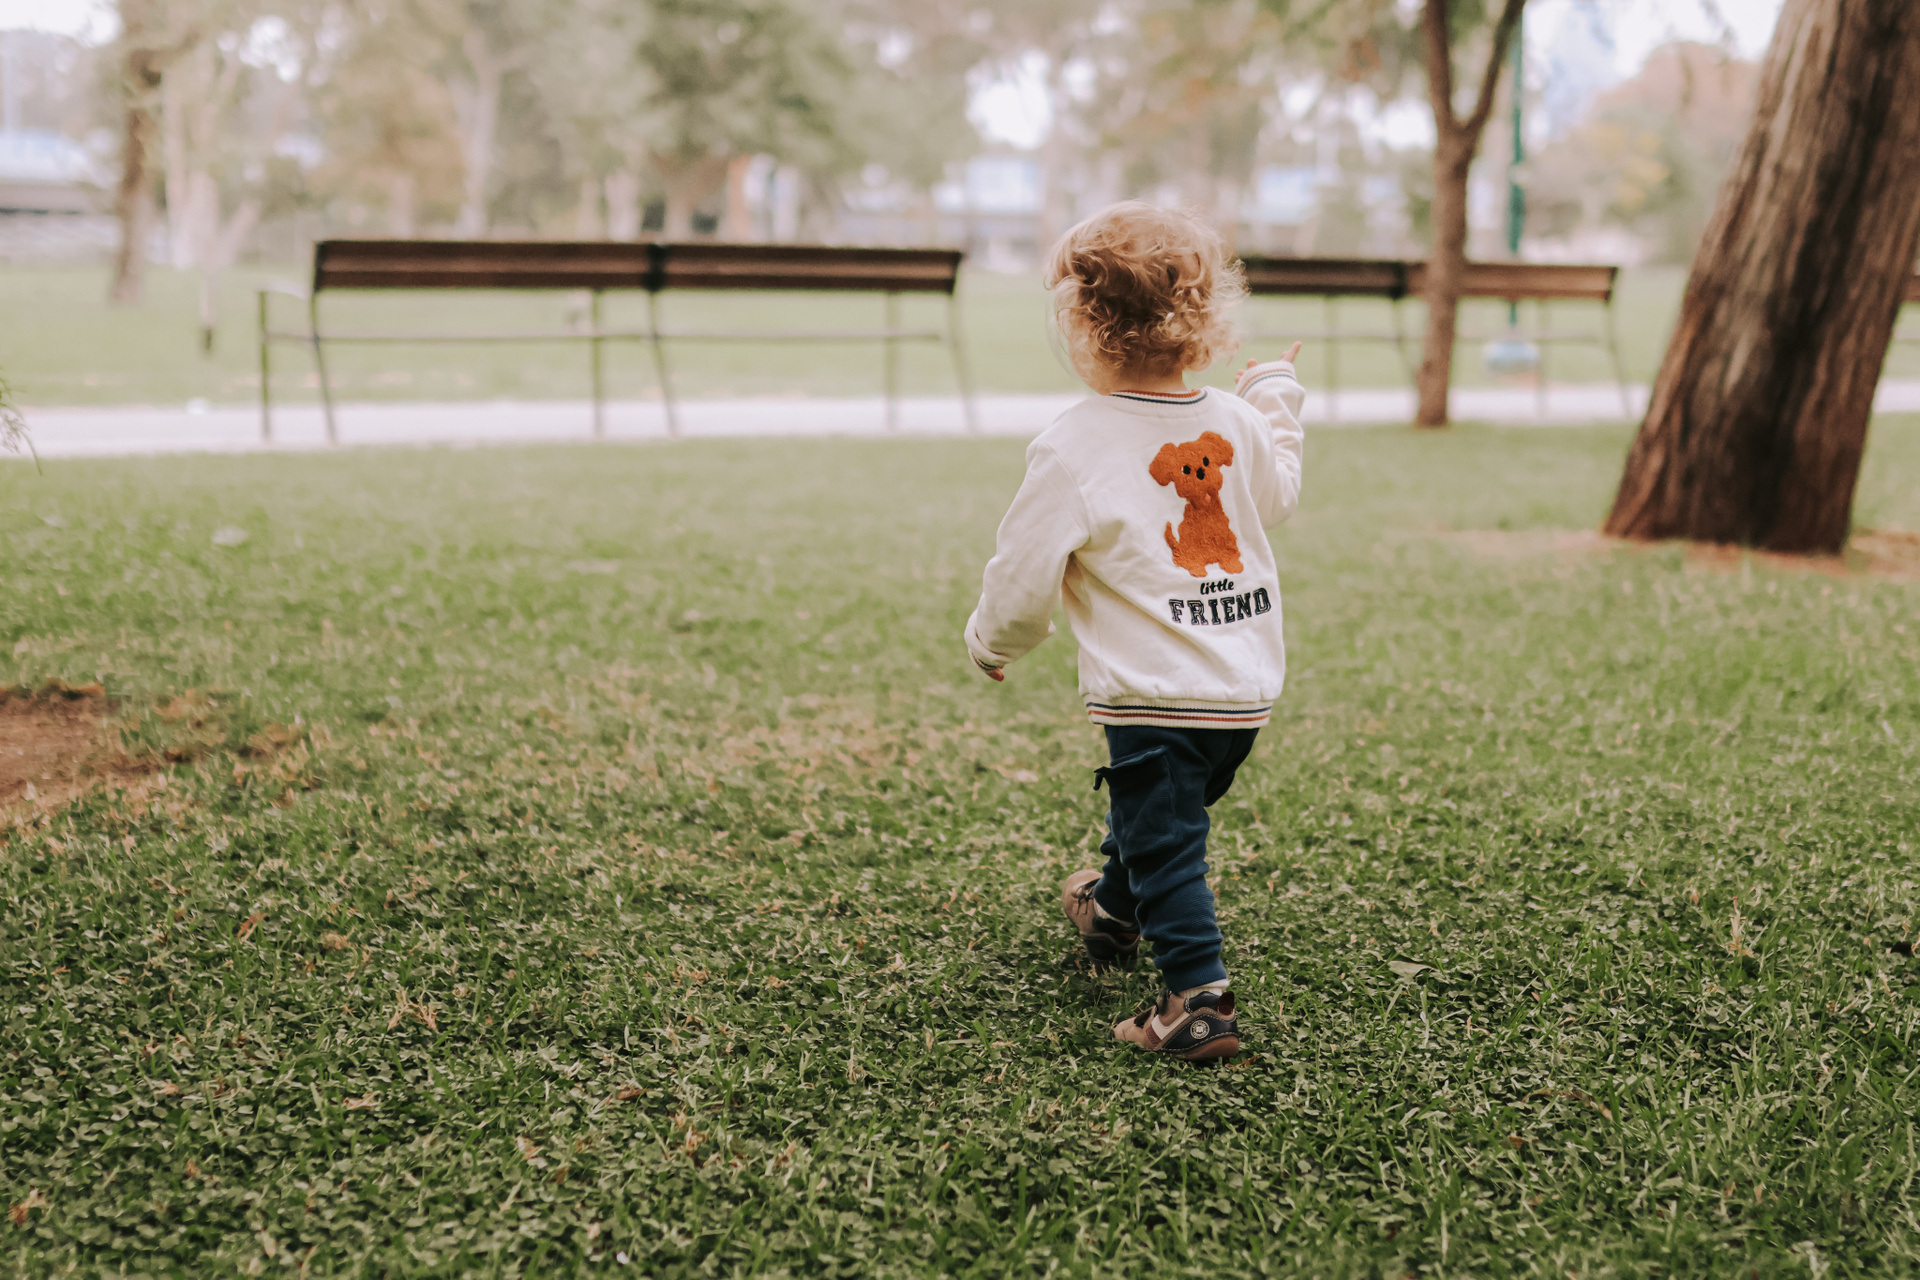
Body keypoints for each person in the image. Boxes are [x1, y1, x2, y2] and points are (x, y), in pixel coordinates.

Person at [963, 201, 1306, 1062]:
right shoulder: (1234, 421)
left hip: (1154, 696)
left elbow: (1023, 571)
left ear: (1082, 325)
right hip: (1243, 689)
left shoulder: (1072, 445)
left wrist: (995, 641)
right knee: (1159, 818)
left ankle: (1198, 1002)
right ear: (1207, 317)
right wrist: (1274, 398)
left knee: (1166, 841)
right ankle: (1113, 911)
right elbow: (1275, 496)